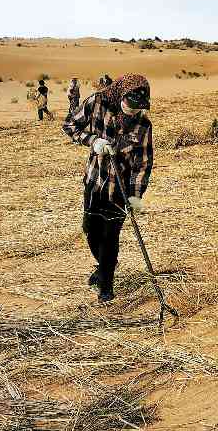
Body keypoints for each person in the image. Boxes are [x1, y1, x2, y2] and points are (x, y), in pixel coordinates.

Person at [63, 74, 153, 303]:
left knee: (110, 236)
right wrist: (92, 141)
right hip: (95, 181)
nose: (132, 112)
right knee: (91, 230)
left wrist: (135, 196)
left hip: (120, 189)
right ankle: (104, 264)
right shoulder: (97, 103)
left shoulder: (143, 126)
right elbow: (70, 125)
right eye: (129, 106)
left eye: (137, 109)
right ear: (121, 94)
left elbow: (143, 163)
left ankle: (106, 284)